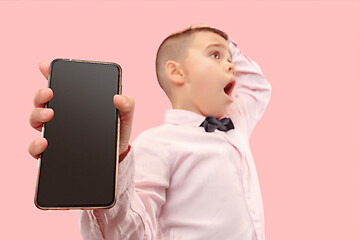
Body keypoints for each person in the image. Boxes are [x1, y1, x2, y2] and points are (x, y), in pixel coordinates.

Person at [28, 24, 272, 240]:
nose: (231, 65)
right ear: (176, 72)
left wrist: (224, 39)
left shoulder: (235, 123)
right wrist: (112, 164)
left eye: (231, 58)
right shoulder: (157, 144)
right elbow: (129, 234)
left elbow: (258, 87)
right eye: (215, 54)